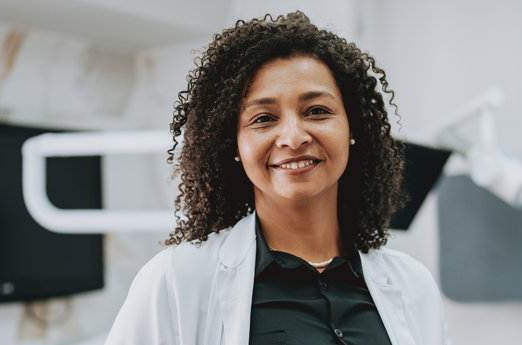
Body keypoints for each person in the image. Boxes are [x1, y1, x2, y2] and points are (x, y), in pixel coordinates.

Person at [105, 11, 446, 345]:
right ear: (234, 144)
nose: (293, 137)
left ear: (352, 127)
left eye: (317, 111)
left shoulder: (414, 285)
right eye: (264, 118)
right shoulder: (176, 281)